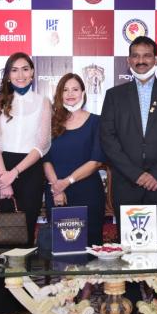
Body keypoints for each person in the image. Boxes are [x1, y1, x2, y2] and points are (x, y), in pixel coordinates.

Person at [100, 36, 157, 314]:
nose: (141, 60)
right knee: (129, 248)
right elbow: (108, 139)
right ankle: (130, 303)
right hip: (128, 183)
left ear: (156, 59)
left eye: (147, 55)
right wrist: (136, 173)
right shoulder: (114, 96)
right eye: (136, 56)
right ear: (129, 61)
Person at [0, 52, 51, 314]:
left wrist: (15, 174)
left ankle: (23, 301)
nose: (20, 74)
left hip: (28, 172)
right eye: (14, 70)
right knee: (1, 240)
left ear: (33, 73)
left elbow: (41, 145)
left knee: (23, 240)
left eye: (25, 69)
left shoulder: (43, 102)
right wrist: (3, 177)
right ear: (7, 74)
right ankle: (1, 305)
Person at [43, 73, 106, 247]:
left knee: (90, 253)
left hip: (88, 193)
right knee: (64, 253)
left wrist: (67, 182)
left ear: (83, 93)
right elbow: (45, 160)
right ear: (59, 94)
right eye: (65, 90)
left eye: (75, 89)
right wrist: (57, 187)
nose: (70, 94)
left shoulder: (96, 122)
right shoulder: (50, 122)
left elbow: (96, 161)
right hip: (57, 194)